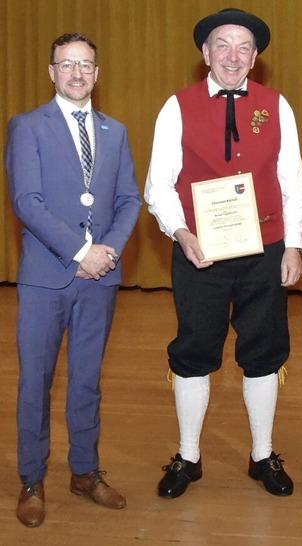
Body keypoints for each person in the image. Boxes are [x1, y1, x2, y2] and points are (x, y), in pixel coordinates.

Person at [144, 8, 302, 499]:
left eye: (243, 47)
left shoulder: (277, 105)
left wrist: (294, 244)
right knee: (194, 349)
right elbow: (159, 184)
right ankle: (188, 455)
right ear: (205, 54)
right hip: (201, 252)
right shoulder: (176, 106)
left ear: (255, 57)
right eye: (222, 45)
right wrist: (180, 233)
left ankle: (262, 454)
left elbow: (292, 180)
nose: (232, 55)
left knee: (263, 349)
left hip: (265, 250)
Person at [5, 33, 142, 527]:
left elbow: (129, 199)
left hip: (99, 280)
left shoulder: (116, 130)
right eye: (67, 65)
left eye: (86, 65)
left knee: (87, 382)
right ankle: (31, 479)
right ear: (51, 72)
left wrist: (106, 253)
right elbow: (27, 202)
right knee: (36, 382)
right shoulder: (27, 127)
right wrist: (82, 251)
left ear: (97, 73)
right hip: (47, 278)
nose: (77, 73)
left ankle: (84, 471)